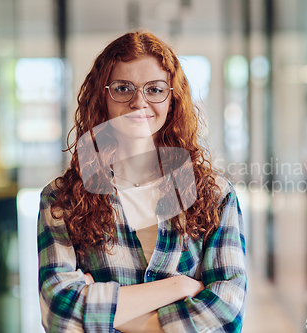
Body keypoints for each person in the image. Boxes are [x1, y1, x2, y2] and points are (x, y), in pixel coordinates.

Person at [37, 31, 247, 333]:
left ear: (172, 99)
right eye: (123, 88)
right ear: (103, 97)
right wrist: (177, 287)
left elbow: (228, 313)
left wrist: (107, 312)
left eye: (155, 89)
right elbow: (59, 313)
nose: (139, 102)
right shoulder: (62, 200)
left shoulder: (214, 195)